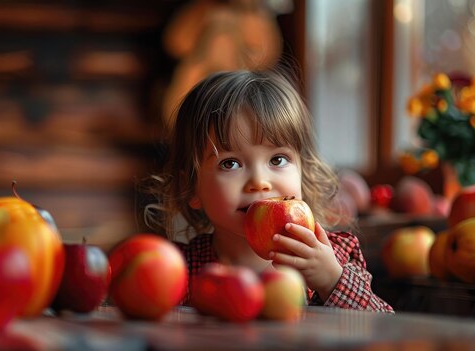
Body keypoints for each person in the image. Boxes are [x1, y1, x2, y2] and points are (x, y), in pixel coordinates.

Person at [142, 67, 393, 313]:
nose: (259, 181)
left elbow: (383, 330)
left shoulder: (333, 257)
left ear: (302, 171)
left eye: (277, 160)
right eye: (230, 163)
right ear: (191, 188)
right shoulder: (181, 271)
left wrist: (331, 281)